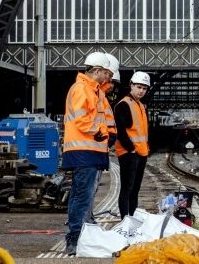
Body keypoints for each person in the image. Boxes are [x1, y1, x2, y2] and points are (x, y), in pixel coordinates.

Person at [62, 52, 113, 255]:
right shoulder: (82, 89)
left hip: (88, 151)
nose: (107, 77)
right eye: (105, 73)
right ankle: (75, 238)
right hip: (83, 150)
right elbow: (82, 119)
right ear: (97, 71)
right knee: (82, 195)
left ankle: (78, 236)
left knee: (80, 194)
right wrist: (100, 132)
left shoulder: (92, 90)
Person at [114, 71, 150, 219]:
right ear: (131, 86)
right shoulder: (123, 105)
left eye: (144, 88)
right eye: (139, 87)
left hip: (140, 153)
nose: (141, 91)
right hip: (129, 154)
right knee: (127, 189)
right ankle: (125, 220)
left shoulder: (140, 105)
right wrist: (131, 149)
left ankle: (132, 218)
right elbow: (121, 132)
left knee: (135, 190)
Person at [89, 53, 120, 221]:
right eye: (110, 79)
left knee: (91, 190)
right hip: (92, 149)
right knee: (87, 190)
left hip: (99, 148)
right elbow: (90, 122)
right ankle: (85, 224)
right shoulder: (91, 93)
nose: (112, 85)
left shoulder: (101, 96)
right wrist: (103, 135)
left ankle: (88, 220)